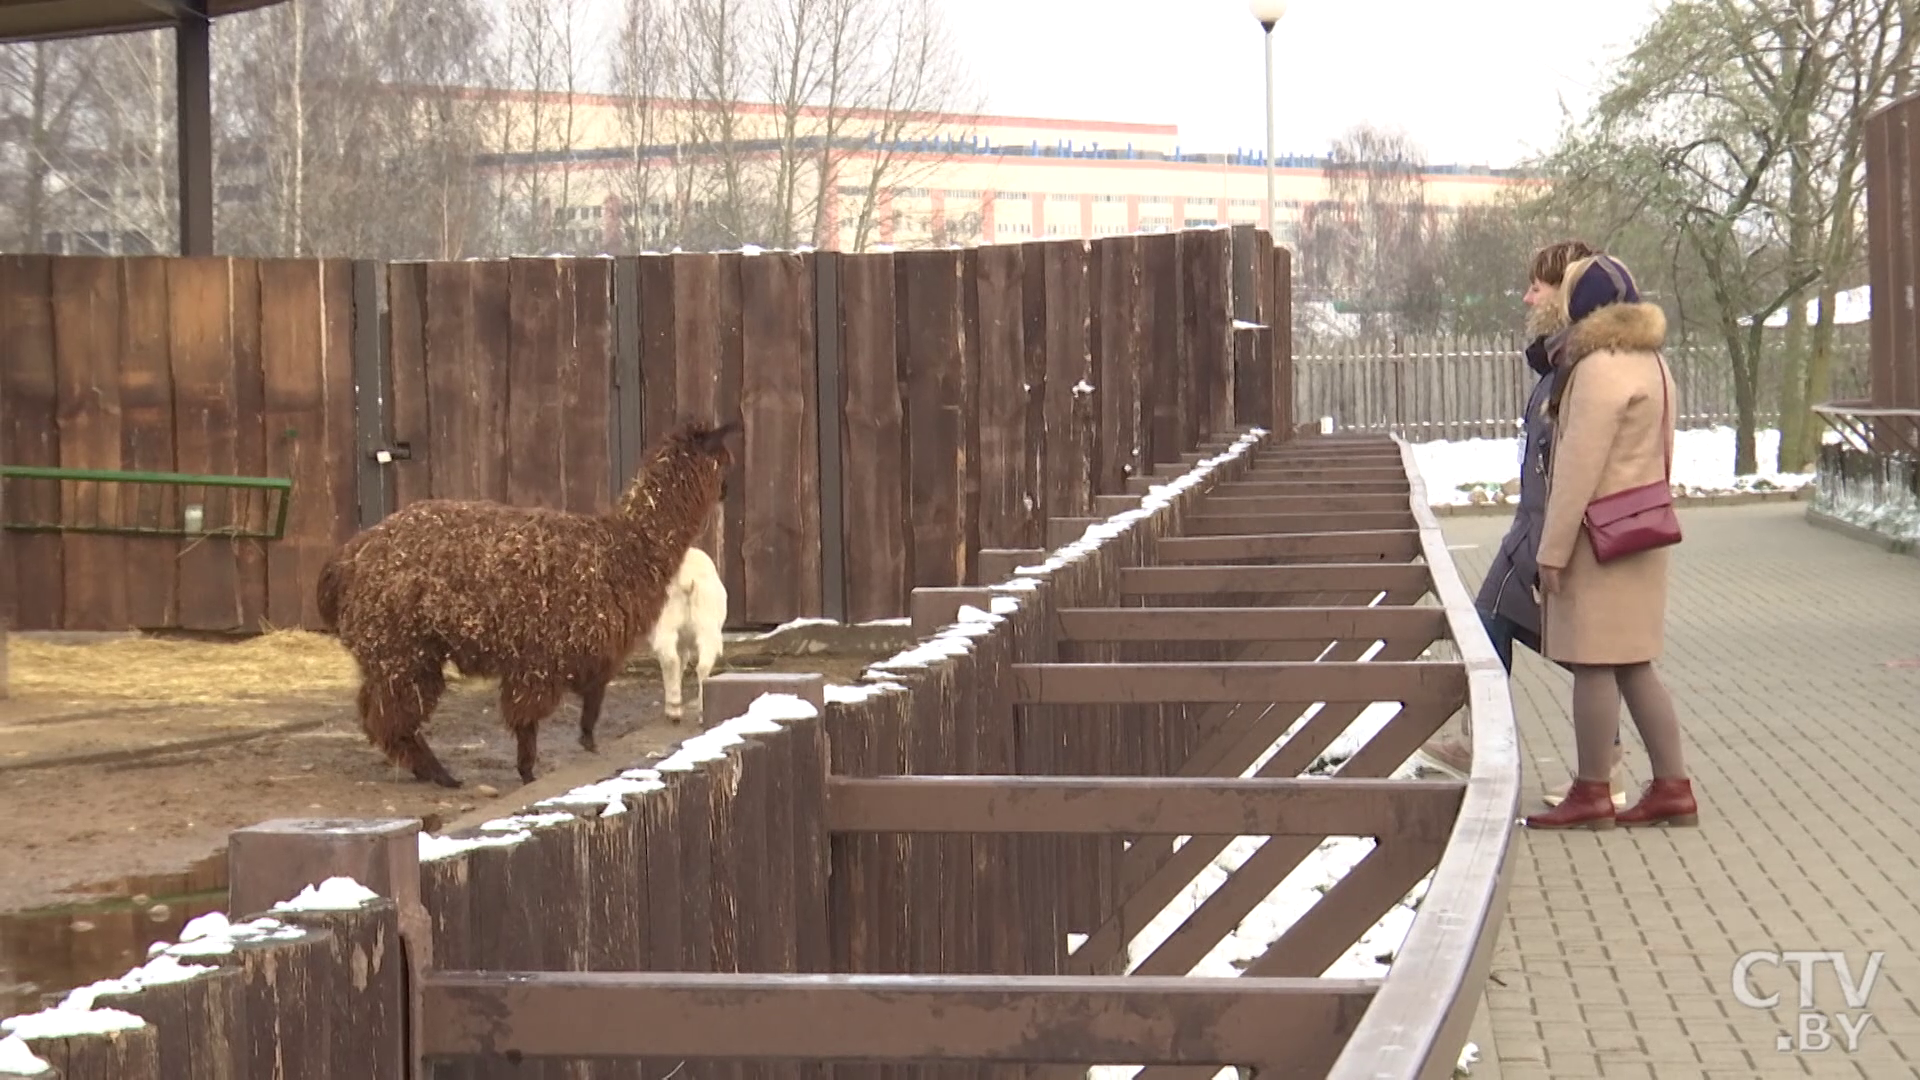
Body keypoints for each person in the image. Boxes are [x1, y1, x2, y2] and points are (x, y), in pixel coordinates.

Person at [1417, 240, 1627, 807]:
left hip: (1551, 533)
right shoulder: (1560, 359)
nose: (1528, 296)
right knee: (1506, 627)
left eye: (1539, 285)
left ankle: (1573, 756)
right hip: (1530, 529)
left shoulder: (1584, 367)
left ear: (1568, 292)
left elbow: (1577, 462)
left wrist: (1552, 545)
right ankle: (1512, 745)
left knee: (1569, 646)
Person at [1524, 253, 1696, 830]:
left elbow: (1577, 465)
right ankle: (1673, 787)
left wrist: (1552, 550)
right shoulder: (1653, 363)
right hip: (1643, 525)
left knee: (1594, 664)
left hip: (1598, 536)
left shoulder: (1598, 369)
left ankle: (1592, 791)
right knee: (1635, 665)